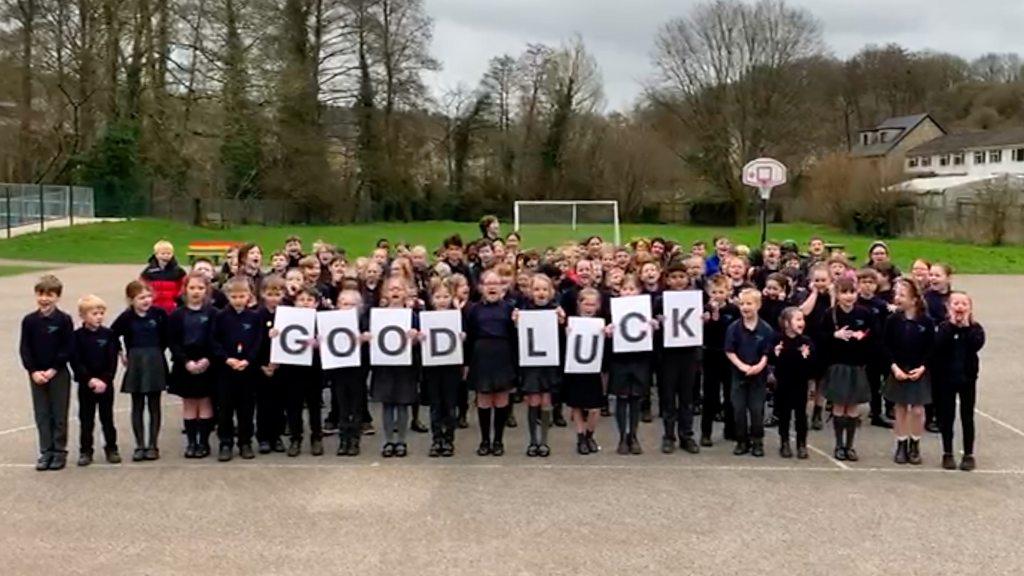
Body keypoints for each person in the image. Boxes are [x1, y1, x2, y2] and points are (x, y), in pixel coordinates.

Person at [21, 275, 75, 471]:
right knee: (42, 414)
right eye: (41, 294)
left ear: (57, 297)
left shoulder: (63, 320)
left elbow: (67, 348)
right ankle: (46, 451)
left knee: (59, 413)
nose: (44, 299)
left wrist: (53, 369)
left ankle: (59, 451)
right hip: (37, 375)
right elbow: (25, 349)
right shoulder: (29, 321)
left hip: (58, 374)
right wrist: (34, 371)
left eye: (49, 295)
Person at [112, 280, 169, 462]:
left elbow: (168, 335)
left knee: (154, 404)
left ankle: (153, 444)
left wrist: (159, 352)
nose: (146, 301)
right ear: (131, 300)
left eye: (148, 296)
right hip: (136, 361)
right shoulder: (127, 317)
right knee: (137, 404)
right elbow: (112, 334)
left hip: (154, 359)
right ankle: (139, 445)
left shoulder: (159, 314)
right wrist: (121, 352)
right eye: (141, 298)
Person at [883, 278, 935, 466]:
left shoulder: (926, 322)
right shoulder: (892, 320)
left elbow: (931, 348)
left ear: (914, 300)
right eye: (896, 294)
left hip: (918, 370)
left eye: (902, 295)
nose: (897, 298)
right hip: (899, 368)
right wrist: (894, 367)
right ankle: (901, 444)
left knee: (918, 409)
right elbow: (886, 346)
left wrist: (923, 367)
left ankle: (915, 444)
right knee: (901, 408)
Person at [465, 269, 517, 456]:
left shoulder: (510, 309)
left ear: (502, 288)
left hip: (503, 355)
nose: (492, 287)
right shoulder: (473, 309)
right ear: (481, 288)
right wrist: (466, 363)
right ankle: (485, 439)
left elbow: (515, 337)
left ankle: (498, 440)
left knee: (501, 399)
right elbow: (469, 337)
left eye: (496, 283)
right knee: (484, 399)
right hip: (481, 355)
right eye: (488, 284)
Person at [821, 277, 874, 462]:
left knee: (852, 406)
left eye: (852, 292)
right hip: (838, 365)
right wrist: (835, 334)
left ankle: (849, 446)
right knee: (839, 404)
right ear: (837, 294)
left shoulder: (864, 313)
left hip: (857, 365)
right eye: (844, 292)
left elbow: (873, 333)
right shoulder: (830, 314)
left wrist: (863, 336)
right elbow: (820, 337)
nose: (848, 296)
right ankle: (838, 444)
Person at [211, 277, 263, 461]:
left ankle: (245, 442)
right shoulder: (220, 317)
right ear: (227, 296)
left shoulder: (255, 317)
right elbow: (214, 341)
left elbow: (258, 341)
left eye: (242, 296)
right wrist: (227, 359)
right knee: (225, 408)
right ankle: (225, 443)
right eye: (234, 296)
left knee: (246, 408)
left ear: (249, 296)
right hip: (226, 370)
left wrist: (248, 360)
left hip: (247, 371)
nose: (238, 300)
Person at [932, 292, 985, 471]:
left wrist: (965, 327)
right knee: (947, 416)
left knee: (967, 416)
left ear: (970, 308)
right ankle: (947, 453)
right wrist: (952, 326)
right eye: (956, 303)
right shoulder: (944, 328)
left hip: (967, 378)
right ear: (949, 308)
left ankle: (968, 454)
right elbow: (938, 346)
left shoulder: (976, 328)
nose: (960, 307)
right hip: (946, 378)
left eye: (964, 304)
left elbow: (976, 345)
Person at [167, 272, 217, 459]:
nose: (196, 292)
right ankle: (191, 443)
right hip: (184, 364)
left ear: (207, 291)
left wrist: (208, 359)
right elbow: (173, 342)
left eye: (200, 288)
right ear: (185, 289)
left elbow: (216, 339)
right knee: (188, 403)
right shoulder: (177, 315)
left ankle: (203, 443)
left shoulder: (213, 314)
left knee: (205, 402)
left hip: (207, 363)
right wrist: (186, 361)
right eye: (192, 288)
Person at [371, 276, 421, 458]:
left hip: (405, 366)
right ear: (385, 293)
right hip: (384, 365)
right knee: (387, 403)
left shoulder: (412, 316)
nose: (395, 292)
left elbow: (420, 340)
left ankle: (401, 440)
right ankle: (387, 440)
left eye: (399, 289)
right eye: (391, 289)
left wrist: (415, 337)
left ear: (406, 293)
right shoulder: (377, 315)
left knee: (402, 403)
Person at [608, 275, 657, 455]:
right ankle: (622, 436)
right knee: (621, 398)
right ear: (619, 291)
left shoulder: (645, 308)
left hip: (640, 358)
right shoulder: (612, 308)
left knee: (635, 398)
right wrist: (608, 331)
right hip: (619, 359)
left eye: (632, 289)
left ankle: (633, 436)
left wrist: (653, 327)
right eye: (625, 289)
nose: (628, 292)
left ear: (639, 291)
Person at [515, 274, 563, 457]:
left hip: (549, 363)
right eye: (536, 289)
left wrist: (562, 322)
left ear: (551, 292)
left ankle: (544, 441)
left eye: (544, 289)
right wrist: (516, 322)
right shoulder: (523, 310)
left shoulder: (556, 310)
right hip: (531, 364)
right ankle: (532, 440)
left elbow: (563, 338)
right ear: (530, 292)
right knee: (533, 400)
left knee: (546, 401)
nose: (540, 293)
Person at [657, 261, 701, 454]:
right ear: (667, 279)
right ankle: (668, 435)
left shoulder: (696, 297)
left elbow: (703, 320)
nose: (678, 281)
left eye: (682, 277)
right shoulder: (660, 300)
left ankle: (687, 435)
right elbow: (651, 326)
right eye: (674, 277)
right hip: (668, 355)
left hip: (689, 353)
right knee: (668, 397)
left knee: (687, 397)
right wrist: (659, 322)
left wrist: (705, 317)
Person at [72, 295, 121, 466]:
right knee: (86, 419)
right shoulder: (77, 336)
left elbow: (112, 361)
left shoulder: (109, 335)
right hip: (87, 385)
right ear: (83, 316)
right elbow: (76, 362)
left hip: (105, 384)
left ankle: (112, 448)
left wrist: (105, 380)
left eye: (101, 313)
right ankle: (86, 450)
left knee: (107, 418)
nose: (99, 317)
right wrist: (89, 380)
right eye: (94, 313)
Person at [277, 286, 326, 457]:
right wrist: (275, 334)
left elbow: (330, 342)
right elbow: (279, 339)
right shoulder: (286, 318)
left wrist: (320, 342)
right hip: (292, 369)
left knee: (314, 405)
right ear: (295, 302)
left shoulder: (321, 320)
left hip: (314, 368)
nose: (305, 303)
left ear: (316, 303)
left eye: (309, 300)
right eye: (301, 300)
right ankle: (295, 438)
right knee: (293, 405)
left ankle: (316, 437)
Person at [724, 288, 773, 457]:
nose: (745, 307)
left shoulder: (765, 329)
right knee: (738, 409)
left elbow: (768, 352)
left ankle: (757, 441)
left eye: (749, 303)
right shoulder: (733, 328)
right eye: (742, 304)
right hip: (739, 375)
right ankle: (741, 440)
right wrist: (741, 366)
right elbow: (729, 351)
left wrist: (760, 366)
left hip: (758, 376)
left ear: (758, 305)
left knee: (756, 409)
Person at [564, 288, 607, 455]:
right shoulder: (571, 322)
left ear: (598, 306)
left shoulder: (601, 323)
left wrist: (607, 334)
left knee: (595, 407)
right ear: (579, 304)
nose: (589, 307)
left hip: (594, 369)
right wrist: (566, 333)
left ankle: (590, 435)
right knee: (576, 404)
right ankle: (581, 436)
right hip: (575, 368)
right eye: (586, 303)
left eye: (592, 304)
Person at [422, 279, 462, 457]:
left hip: (452, 366)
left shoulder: (458, 317)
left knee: (450, 405)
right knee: (435, 405)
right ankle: (436, 438)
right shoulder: (426, 317)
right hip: (432, 367)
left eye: (446, 296)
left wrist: (463, 336)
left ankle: (449, 439)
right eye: (438, 296)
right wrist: (420, 337)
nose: (442, 300)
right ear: (432, 299)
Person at [330, 290, 371, 457]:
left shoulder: (363, 321)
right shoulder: (332, 321)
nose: (348, 308)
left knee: (356, 404)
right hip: (339, 368)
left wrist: (364, 338)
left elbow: (372, 338)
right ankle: (343, 439)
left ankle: (354, 439)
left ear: (359, 306)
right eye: (344, 304)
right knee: (342, 404)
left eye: (352, 305)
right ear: (338, 305)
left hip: (358, 369)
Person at [771, 307, 814, 459]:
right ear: (787, 323)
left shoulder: (805, 341)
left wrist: (806, 356)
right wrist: (774, 353)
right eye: (798, 319)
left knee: (801, 415)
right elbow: (771, 359)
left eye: (802, 319)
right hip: (783, 383)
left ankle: (801, 444)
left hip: (800, 383)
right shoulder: (778, 339)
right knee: (784, 414)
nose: (802, 322)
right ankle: (784, 442)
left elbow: (812, 362)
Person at [701, 275, 739, 446]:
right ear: (709, 292)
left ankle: (730, 429)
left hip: (729, 356)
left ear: (728, 292)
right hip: (711, 355)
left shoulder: (734, 310)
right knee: (710, 395)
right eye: (714, 292)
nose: (717, 295)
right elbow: (708, 330)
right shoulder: (705, 310)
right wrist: (711, 314)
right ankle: (705, 432)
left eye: (721, 292)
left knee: (731, 394)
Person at [256, 276, 288, 455]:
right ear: (262, 294)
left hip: (281, 367)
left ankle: (277, 436)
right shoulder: (257, 315)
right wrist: (262, 364)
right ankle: (263, 437)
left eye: (278, 294)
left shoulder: (288, 314)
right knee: (263, 404)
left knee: (279, 403)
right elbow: (253, 342)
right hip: (262, 367)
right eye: (270, 294)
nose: (274, 298)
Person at [141, 240, 187, 314]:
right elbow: (142, 284)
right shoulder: (149, 271)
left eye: (169, 253)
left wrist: (177, 297)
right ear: (156, 254)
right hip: (154, 305)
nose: (166, 255)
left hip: (172, 305)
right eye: (163, 253)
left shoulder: (178, 271)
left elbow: (184, 284)